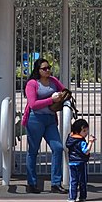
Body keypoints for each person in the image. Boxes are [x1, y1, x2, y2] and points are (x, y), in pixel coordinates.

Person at [23, 58, 70, 194]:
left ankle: (56, 183)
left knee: (58, 148)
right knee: (33, 151)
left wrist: (63, 97)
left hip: (50, 119)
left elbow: (65, 91)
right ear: (38, 70)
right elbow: (33, 104)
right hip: (35, 119)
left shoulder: (53, 81)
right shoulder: (32, 84)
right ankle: (31, 183)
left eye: (49, 67)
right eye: (44, 68)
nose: (48, 70)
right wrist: (51, 100)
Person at [66, 118, 94, 202]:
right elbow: (86, 151)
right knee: (82, 181)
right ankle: (82, 196)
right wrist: (90, 142)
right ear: (79, 130)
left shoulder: (70, 139)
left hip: (72, 162)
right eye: (85, 131)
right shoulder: (81, 142)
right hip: (81, 162)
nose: (86, 133)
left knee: (73, 180)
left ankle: (72, 197)